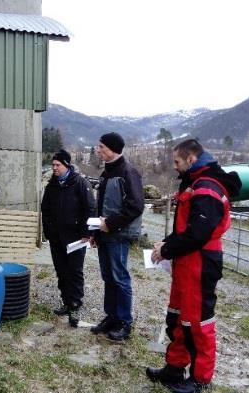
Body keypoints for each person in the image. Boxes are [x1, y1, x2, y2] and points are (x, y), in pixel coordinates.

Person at [146, 139, 241, 393]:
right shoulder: (195, 183)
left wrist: (166, 249)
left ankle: (200, 378)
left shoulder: (207, 187)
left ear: (191, 159)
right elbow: (186, 229)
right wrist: (167, 244)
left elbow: (198, 233)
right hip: (186, 261)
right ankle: (175, 367)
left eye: (177, 161)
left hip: (200, 262)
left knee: (197, 322)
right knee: (177, 317)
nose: (174, 167)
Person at [89, 132, 144, 341]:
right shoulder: (107, 173)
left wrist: (110, 224)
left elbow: (136, 206)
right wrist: (95, 232)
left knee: (120, 278)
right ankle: (111, 317)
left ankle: (124, 322)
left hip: (119, 234)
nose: (98, 149)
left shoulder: (128, 172)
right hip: (104, 234)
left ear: (112, 149)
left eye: (101, 146)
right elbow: (100, 205)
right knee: (108, 277)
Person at [41, 149, 95, 327]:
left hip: (76, 238)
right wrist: (48, 231)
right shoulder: (52, 185)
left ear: (66, 165)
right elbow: (45, 209)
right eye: (53, 165)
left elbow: (90, 208)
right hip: (56, 237)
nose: (54, 168)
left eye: (57, 165)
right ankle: (66, 302)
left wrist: (87, 233)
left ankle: (75, 305)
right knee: (61, 270)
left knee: (75, 271)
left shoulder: (80, 183)